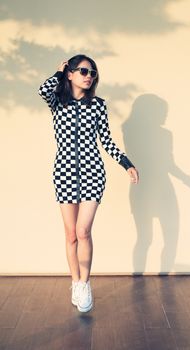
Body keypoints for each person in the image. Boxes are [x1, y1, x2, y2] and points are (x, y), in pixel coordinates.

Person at [38, 54, 139, 313]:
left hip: (93, 172)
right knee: (70, 234)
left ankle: (85, 283)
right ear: (70, 74)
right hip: (64, 172)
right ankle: (75, 283)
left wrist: (126, 162)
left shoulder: (98, 105)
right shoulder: (57, 102)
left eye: (92, 72)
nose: (88, 76)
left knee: (83, 231)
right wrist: (59, 72)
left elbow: (106, 140)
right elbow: (42, 90)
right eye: (82, 70)